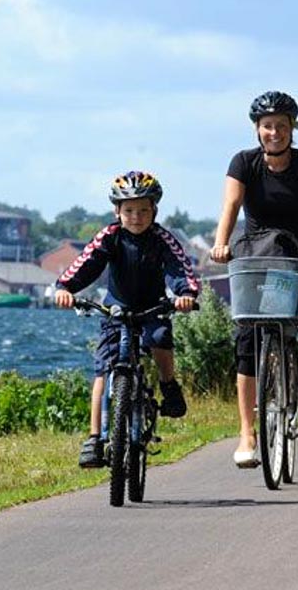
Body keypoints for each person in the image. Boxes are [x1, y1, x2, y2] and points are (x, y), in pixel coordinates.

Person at [209, 90, 298, 469]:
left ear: (292, 129)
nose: (274, 133)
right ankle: (247, 434)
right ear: (258, 130)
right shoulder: (244, 163)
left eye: (282, 126)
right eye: (267, 126)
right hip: (259, 252)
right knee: (246, 337)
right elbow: (231, 205)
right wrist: (221, 244)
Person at [54, 170, 200, 468]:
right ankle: (95, 438)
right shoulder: (110, 237)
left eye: (144, 210)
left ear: (154, 211)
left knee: (159, 338)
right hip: (116, 311)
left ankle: (169, 384)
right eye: (129, 210)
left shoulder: (162, 239)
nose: (137, 217)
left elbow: (179, 268)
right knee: (103, 369)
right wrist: (65, 287)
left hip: (152, 308)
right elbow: (87, 263)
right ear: (117, 211)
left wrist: (186, 293)